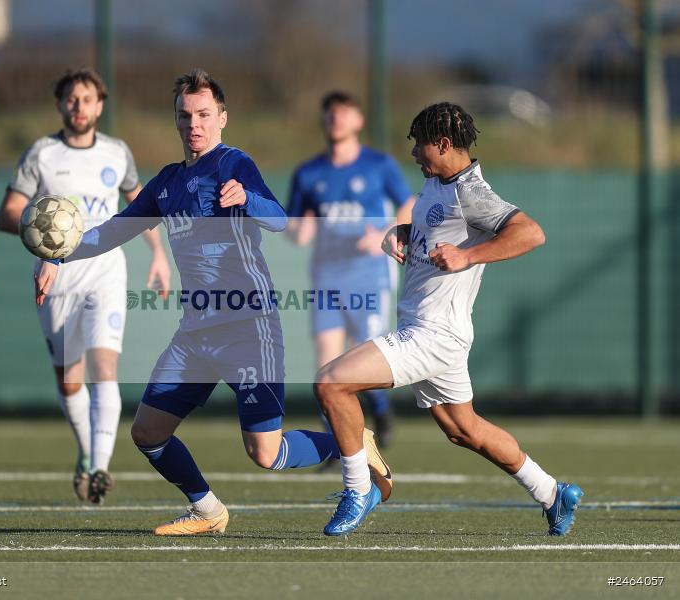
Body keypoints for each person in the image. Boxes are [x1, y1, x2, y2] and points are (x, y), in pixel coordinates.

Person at [35, 68, 391, 535]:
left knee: (266, 454)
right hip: (196, 334)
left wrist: (248, 199)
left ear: (221, 118)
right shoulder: (166, 183)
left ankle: (354, 444)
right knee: (147, 433)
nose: (195, 123)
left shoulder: (233, 164)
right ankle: (207, 509)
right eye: (186, 115)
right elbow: (115, 230)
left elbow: (280, 222)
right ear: (176, 121)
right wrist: (60, 252)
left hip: (249, 327)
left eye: (204, 114)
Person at [314, 102, 583, 536]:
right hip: (432, 330)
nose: (414, 153)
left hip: (433, 335)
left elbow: (531, 232)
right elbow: (438, 232)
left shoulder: (471, 193)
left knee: (331, 383)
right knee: (464, 429)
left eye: (419, 145)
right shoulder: (438, 183)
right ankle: (553, 492)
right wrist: (404, 235)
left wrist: (468, 256)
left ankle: (359, 488)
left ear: (442, 144)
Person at [0, 68, 171, 505]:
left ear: (100, 105)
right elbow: (8, 212)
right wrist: (41, 242)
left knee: (105, 368)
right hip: (56, 276)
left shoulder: (116, 153)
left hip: (106, 270)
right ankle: (86, 452)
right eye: (71, 99)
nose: (80, 107)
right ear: (60, 105)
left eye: (88, 99)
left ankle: (99, 467)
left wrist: (159, 255)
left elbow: (140, 204)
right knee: (70, 381)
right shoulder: (42, 153)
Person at [287, 91, 414, 449]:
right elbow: (297, 229)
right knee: (327, 364)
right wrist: (301, 228)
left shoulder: (378, 165)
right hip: (327, 277)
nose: (335, 120)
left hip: (368, 275)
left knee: (364, 356)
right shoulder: (309, 173)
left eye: (343, 114)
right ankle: (334, 443)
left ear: (358, 121)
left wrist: (384, 232)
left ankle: (381, 411)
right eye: (330, 114)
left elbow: (409, 202)